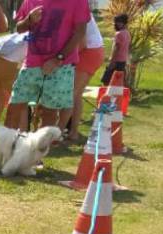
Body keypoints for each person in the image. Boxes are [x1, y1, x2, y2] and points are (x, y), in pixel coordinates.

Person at [3, 0, 90, 132]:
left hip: (61, 66)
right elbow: (19, 29)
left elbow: (80, 32)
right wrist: (29, 20)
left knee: (49, 113)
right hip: (32, 63)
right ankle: (7, 149)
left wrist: (57, 59)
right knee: (14, 107)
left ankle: (40, 150)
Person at [57, 7, 105, 144]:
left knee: (70, 95)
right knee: (76, 95)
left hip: (88, 51)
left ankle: (58, 133)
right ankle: (72, 132)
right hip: (95, 50)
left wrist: (63, 58)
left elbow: (82, 43)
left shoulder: (74, 9)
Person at [0, 30, 29, 135]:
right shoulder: (37, 38)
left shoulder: (19, 35)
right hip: (5, 63)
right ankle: (22, 137)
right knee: (22, 103)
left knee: (0, 101)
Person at [101, 13, 129, 87]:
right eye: (117, 22)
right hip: (123, 61)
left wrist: (112, 61)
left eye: (120, 22)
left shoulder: (118, 34)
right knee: (118, 81)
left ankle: (106, 96)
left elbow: (116, 49)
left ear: (124, 23)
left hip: (116, 60)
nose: (117, 23)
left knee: (106, 80)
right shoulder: (127, 33)